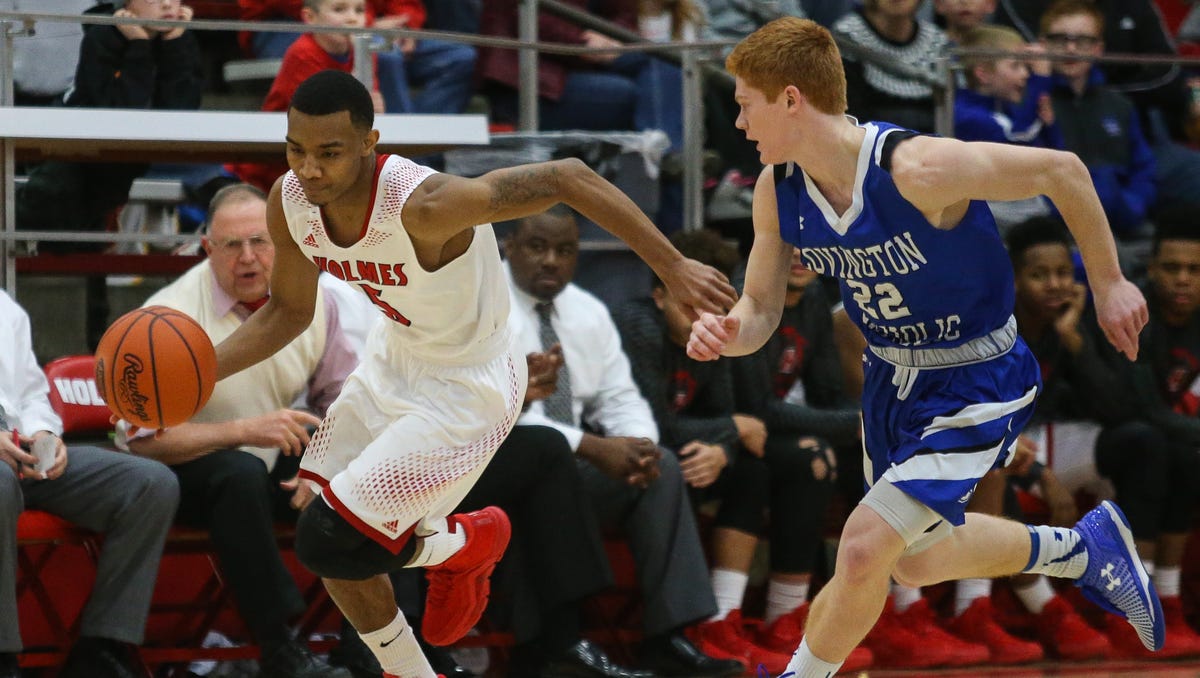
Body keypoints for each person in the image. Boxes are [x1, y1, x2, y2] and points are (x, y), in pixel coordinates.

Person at [207, 70, 735, 678]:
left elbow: (569, 177)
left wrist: (672, 266)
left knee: (327, 538)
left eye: (329, 153)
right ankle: (426, 634)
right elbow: (289, 312)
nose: (310, 170)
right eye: (296, 150)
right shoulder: (290, 202)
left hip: (469, 384)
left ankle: (458, 547)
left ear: (369, 144)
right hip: (393, 360)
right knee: (325, 537)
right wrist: (202, 370)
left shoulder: (428, 205)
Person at [687, 17, 1160, 677]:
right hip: (891, 382)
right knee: (911, 559)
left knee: (861, 547)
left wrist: (1109, 285)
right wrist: (729, 331)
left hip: (977, 375)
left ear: (790, 99)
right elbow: (761, 309)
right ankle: (1082, 551)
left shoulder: (918, 169)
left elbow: (1063, 169)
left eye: (744, 105)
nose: (738, 123)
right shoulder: (777, 189)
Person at [121, 184, 356, 678]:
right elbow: (137, 439)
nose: (248, 259)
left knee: (360, 461)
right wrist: (241, 430)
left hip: (266, 462)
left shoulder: (313, 300)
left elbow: (340, 400)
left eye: (261, 242)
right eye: (231, 246)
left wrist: (325, 466)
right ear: (207, 248)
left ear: (283, 243)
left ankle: (371, 645)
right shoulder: (165, 318)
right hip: (183, 474)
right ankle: (279, 648)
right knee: (239, 471)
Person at [613, 230, 872, 675]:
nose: (706, 317)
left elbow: (816, 398)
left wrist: (724, 443)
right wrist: (730, 433)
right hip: (640, 453)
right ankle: (718, 623)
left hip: (713, 441)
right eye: (789, 243)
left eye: (715, 307)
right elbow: (738, 412)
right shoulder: (648, 325)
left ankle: (786, 619)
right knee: (793, 460)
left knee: (841, 457)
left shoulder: (792, 307)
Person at [501, 208, 744, 678]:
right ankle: (560, 645)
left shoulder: (588, 312)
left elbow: (620, 397)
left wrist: (638, 448)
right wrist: (592, 448)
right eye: (537, 247)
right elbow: (497, 417)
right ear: (508, 246)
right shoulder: (484, 307)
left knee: (663, 468)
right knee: (550, 465)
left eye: (565, 251)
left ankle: (669, 637)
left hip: (574, 462)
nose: (551, 261)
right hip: (507, 468)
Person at [0, 290, 180, 678]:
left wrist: (44, 436)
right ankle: (3, 657)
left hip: (18, 450)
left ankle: (102, 648)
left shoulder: (5, 308)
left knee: (150, 484)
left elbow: (32, 396)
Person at [1039, 0, 1157, 241]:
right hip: (1056, 230)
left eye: (1082, 40)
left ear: (1098, 48)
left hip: (1121, 223)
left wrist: (1128, 209)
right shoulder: (1030, 101)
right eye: (1060, 39)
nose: (1071, 49)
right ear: (1043, 44)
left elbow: (1143, 171)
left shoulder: (1119, 106)